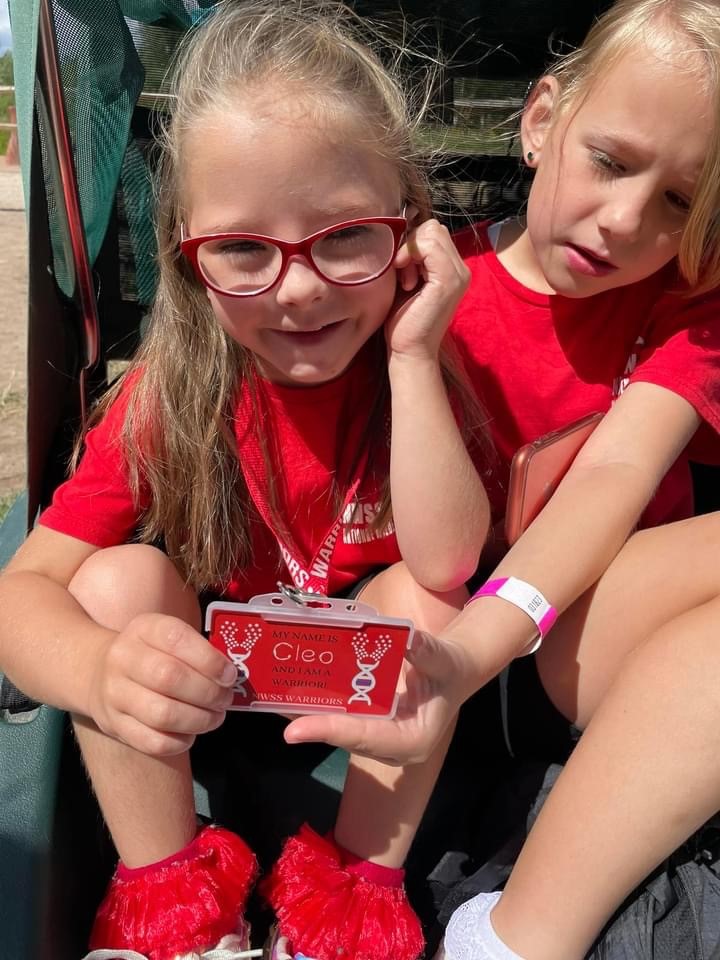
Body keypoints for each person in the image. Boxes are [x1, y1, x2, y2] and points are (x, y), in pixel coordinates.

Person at [0, 2, 493, 959]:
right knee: (108, 585)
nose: (299, 289)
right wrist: (100, 672)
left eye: (347, 237)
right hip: (206, 689)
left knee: (431, 601)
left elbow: (449, 560)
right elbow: (19, 598)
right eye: (240, 250)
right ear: (189, 252)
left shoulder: (425, 374)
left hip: (373, 715)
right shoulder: (167, 398)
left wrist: (415, 355)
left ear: (413, 234)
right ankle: (173, 911)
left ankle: (345, 909)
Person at [282, 1, 720, 957]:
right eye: (609, 161)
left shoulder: (686, 315)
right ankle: (342, 911)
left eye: (682, 201)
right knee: (416, 592)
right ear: (538, 120)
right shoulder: (431, 284)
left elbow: (613, 476)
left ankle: (514, 940)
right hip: (433, 640)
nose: (626, 220)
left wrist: (481, 647)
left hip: (556, 643)